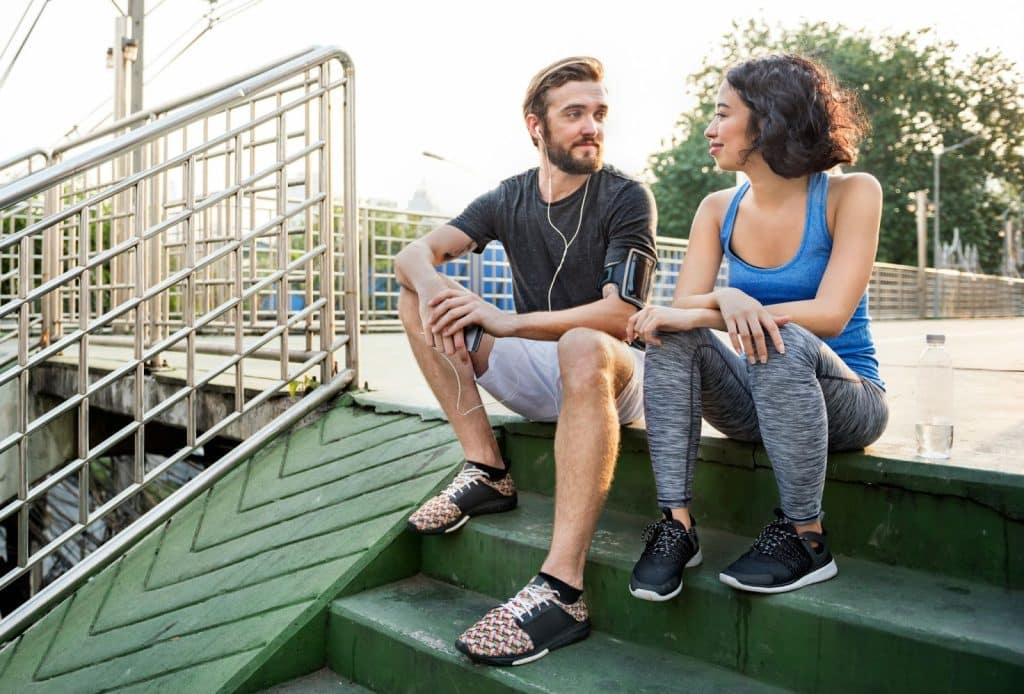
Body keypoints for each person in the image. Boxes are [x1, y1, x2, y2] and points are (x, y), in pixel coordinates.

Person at [394, 56, 657, 665]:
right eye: (574, 114)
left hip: (619, 375)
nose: (591, 126)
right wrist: (436, 291)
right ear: (535, 125)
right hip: (544, 368)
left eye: (599, 114)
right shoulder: (508, 197)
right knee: (418, 297)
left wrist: (506, 322)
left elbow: (622, 315)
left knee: (582, 342)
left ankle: (562, 588)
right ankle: (487, 470)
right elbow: (413, 255)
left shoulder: (625, 196)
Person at [625, 54, 888, 601]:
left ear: (766, 122)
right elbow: (682, 314)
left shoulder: (850, 193)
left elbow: (832, 313)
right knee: (675, 337)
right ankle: (676, 524)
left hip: (846, 398)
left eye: (723, 114)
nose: (709, 128)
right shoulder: (717, 208)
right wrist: (725, 294)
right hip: (757, 401)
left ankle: (806, 538)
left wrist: (714, 307)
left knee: (781, 339)